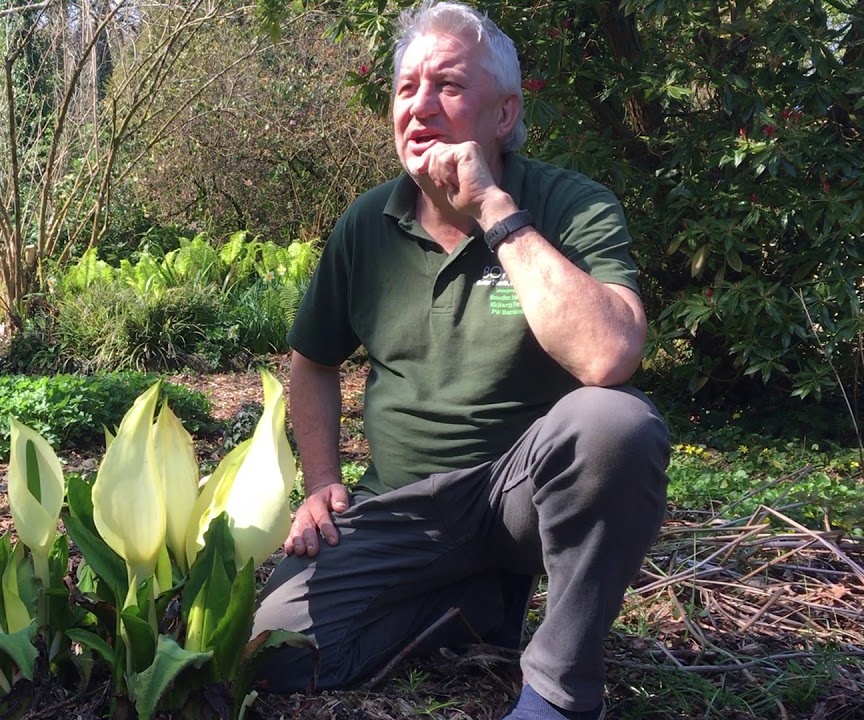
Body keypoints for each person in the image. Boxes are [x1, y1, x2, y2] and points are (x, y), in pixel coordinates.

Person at [250, 2, 671, 719]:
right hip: (402, 508)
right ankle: (475, 600)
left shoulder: (569, 205)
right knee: (273, 650)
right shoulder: (366, 225)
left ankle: (559, 694)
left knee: (615, 425)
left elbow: (610, 355)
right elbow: (313, 361)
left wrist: (492, 209)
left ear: (504, 116)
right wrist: (321, 479)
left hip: (522, 498)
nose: (418, 106)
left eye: (446, 85)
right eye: (405, 87)